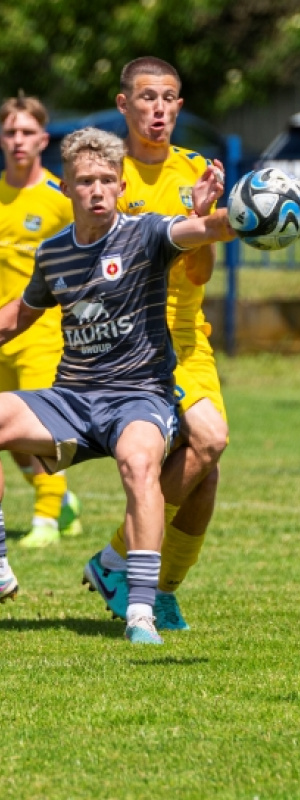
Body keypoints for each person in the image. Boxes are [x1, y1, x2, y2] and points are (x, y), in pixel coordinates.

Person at [0, 127, 234, 645]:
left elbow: (207, 232)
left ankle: (140, 612)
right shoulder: (54, 253)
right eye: (86, 181)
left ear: (121, 183)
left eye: (108, 179)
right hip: (72, 399)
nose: (98, 190)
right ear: (67, 188)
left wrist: (227, 216)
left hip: (140, 397)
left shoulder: (148, 232)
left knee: (140, 462)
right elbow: (17, 316)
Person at [82, 57, 229, 632]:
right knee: (211, 439)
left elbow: (201, 276)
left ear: (180, 106)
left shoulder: (194, 171)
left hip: (190, 342)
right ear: (124, 105)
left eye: (169, 98)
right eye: (147, 97)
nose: (158, 109)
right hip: (132, 342)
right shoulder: (106, 177)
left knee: (204, 469)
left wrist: (200, 216)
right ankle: (120, 559)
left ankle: (157, 586)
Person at [0, 93, 83, 548]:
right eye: (11, 131)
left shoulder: (58, 197)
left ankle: (47, 520)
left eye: (27, 132)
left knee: (43, 431)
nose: (18, 140)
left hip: (42, 333)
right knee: (11, 442)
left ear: (42, 139)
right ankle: (62, 499)